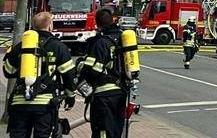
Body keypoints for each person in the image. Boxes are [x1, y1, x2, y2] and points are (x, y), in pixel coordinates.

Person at [3, 12, 77, 138]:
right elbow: (69, 75)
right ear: (50, 26)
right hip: (45, 105)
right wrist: (71, 97)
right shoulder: (59, 47)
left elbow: (8, 72)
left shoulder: (21, 47)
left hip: (19, 103)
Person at [78, 8, 127, 138]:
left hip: (103, 96)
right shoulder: (123, 39)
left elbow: (93, 70)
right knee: (116, 130)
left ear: (97, 23)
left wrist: (80, 68)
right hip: (121, 93)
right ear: (113, 20)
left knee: (102, 131)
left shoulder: (100, 42)